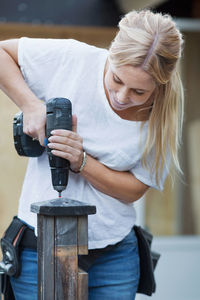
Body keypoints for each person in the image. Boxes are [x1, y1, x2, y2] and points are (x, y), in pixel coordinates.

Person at [0, 9, 184, 300]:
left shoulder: (163, 115)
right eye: (117, 79)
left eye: (139, 92)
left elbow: (134, 189)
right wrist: (30, 104)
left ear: (159, 86)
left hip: (115, 256)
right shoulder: (72, 59)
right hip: (41, 247)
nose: (122, 97)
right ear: (111, 54)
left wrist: (81, 161)